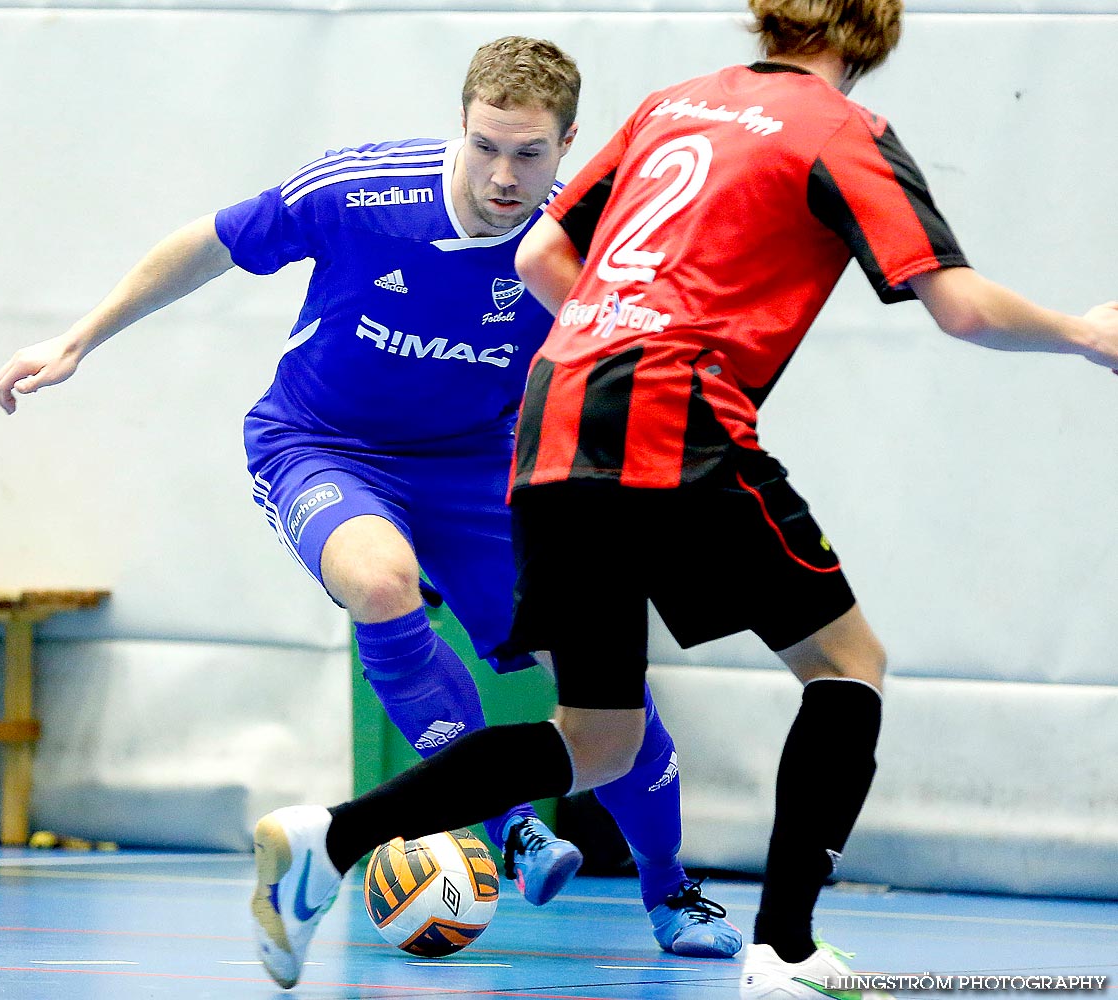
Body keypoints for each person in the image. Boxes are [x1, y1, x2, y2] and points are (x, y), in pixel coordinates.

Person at [231, 0, 1118, 995]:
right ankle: (782, 950)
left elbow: (540, 257)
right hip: (677, 415)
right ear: (874, 29)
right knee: (847, 663)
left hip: (556, 423)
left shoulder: (676, 103)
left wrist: (618, 335)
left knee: (595, 738)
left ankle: (332, 839)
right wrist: (1088, 333)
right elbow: (957, 305)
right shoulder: (843, 129)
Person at [0, 34, 742, 982]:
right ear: (459, 129)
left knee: (597, 682)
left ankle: (670, 887)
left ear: (568, 145)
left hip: (484, 470)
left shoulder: (581, 240)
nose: (503, 174)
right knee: (379, 582)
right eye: (485, 146)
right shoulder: (360, 194)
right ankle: (505, 822)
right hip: (324, 447)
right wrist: (78, 339)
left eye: (529, 154)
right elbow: (208, 244)